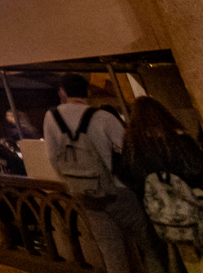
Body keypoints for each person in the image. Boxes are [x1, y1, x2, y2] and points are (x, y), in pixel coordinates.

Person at [43, 73, 161, 273]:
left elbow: (52, 157)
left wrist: (73, 180)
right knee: (149, 245)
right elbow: (129, 152)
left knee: (110, 250)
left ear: (62, 92)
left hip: (83, 193)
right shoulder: (103, 117)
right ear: (87, 92)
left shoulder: (51, 118)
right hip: (117, 190)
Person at [120, 96, 203, 271]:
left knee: (192, 263)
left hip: (170, 221)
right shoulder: (177, 141)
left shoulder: (132, 149)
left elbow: (133, 182)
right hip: (201, 211)